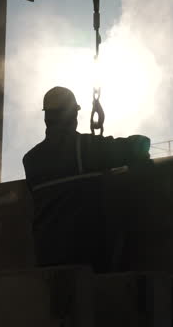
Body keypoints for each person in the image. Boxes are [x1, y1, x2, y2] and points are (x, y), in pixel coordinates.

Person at [23, 86, 151, 271]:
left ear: (46, 118)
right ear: (72, 115)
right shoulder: (83, 148)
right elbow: (139, 145)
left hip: (46, 259)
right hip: (86, 259)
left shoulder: (31, 159)